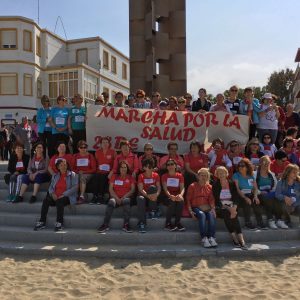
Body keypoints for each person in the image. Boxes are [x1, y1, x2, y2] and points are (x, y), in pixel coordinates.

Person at [34, 159, 78, 232]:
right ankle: (42, 221)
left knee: (60, 201)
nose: (64, 166)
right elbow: (51, 187)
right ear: (58, 167)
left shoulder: (72, 174)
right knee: (46, 200)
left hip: (67, 197)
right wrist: (52, 193)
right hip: (55, 197)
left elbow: (75, 187)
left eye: (65, 165)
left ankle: (59, 223)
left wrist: (64, 194)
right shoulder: (55, 175)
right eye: (61, 165)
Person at [212, 166, 247, 249]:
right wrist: (229, 208)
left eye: (223, 172)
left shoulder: (231, 183)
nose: (221, 174)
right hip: (221, 206)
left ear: (226, 173)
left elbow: (236, 197)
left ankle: (241, 239)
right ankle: (234, 237)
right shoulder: (215, 185)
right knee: (227, 213)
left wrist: (234, 207)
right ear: (216, 175)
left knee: (234, 216)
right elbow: (217, 200)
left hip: (232, 205)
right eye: (219, 173)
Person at [97, 161, 135, 233]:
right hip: (115, 197)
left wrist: (123, 197)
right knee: (111, 202)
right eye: (122, 167)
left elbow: (132, 190)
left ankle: (126, 224)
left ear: (127, 168)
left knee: (126, 201)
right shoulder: (114, 176)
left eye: (125, 167)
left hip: (126, 197)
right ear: (119, 169)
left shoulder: (130, 177)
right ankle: (105, 224)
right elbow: (110, 189)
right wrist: (117, 198)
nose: (123, 169)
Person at [186, 168, 217, 248]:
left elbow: (211, 200)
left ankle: (211, 237)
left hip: (207, 207)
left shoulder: (210, 187)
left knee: (211, 215)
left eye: (206, 175)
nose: (203, 177)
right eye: (202, 175)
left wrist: (213, 209)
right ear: (198, 176)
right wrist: (191, 211)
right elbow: (188, 199)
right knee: (202, 215)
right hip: (196, 207)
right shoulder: (193, 186)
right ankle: (204, 238)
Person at [255, 156, 288, 229]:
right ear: (260, 163)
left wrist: (273, 192)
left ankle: (279, 220)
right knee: (268, 199)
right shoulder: (254, 174)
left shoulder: (272, 174)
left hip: (270, 193)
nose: (266, 164)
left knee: (278, 198)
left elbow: (275, 187)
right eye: (264, 162)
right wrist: (260, 192)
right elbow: (252, 187)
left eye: (268, 162)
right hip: (259, 194)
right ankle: (270, 220)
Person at [233, 158, 266, 230]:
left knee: (256, 201)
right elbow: (237, 189)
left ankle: (260, 222)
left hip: (250, 193)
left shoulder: (251, 176)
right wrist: (245, 197)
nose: (240, 167)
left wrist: (255, 196)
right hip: (240, 195)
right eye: (239, 165)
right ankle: (247, 223)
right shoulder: (236, 175)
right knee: (247, 202)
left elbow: (255, 188)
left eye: (243, 166)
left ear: (247, 167)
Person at [136, 158, 161, 233]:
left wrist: (157, 194)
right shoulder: (141, 176)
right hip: (144, 196)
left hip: (153, 197)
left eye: (151, 166)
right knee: (140, 198)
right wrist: (148, 196)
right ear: (144, 168)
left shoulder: (156, 175)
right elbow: (140, 189)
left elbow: (159, 187)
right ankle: (142, 223)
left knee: (153, 188)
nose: (150, 168)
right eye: (148, 167)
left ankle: (153, 210)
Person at [90, 137, 116, 204]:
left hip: (108, 172)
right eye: (103, 142)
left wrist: (112, 172)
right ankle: (95, 196)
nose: (105, 144)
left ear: (109, 144)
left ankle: (101, 196)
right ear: (101, 144)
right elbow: (96, 163)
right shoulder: (97, 152)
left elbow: (115, 164)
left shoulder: (113, 152)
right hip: (99, 171)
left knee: (102, 177)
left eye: (106, 142)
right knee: (95, 177)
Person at [161, 159, 185, 231]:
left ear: (175, 166)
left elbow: (182, 188)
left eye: (172, 164)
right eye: (168, 164)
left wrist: (180, 195)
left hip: (177, 194)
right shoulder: (164, 176)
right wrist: (170, 196)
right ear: (166, 167)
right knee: (172, 202)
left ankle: (177, 223)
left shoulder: (180, 176)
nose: (170, 166)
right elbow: (165, 189)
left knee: (181, 201)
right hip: (167, 196)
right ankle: (167, 223)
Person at [72, 140, 96, 204]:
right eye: (81, 147)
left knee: (82, 178)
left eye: (84, 147)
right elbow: (72, 168)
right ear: (78, 148)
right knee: (74, 178)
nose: (83, 149)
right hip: (77, 173)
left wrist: (84, 172)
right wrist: (78, 172)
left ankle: (82, 196)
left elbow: (94, 169)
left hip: (88, 173)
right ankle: (74, 195)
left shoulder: (90, 156)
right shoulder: (75, 156)